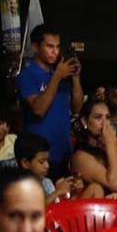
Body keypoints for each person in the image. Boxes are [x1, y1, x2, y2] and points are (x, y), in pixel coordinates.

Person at [17, 24, 83, 179]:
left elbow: (77, 108)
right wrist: (57, 77)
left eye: (58, 47)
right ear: (35, 47)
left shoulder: (60, 72)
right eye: (49, 46)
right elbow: (39, 109)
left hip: (64, 151)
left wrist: (75, 78)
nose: (55, 51)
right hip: (39, 158)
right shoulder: (27, 75)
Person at [16, 132, 79, 204]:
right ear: (25, 163)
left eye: (47, 161)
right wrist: (57, 192)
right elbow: (32, 210)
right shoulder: (17, 188)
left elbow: (57, 208)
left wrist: (74, 194)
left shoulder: (47, 183)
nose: (47, 166)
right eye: (41, 162)